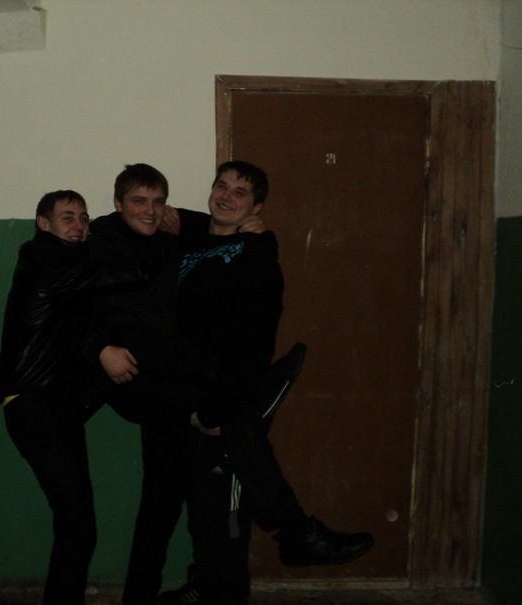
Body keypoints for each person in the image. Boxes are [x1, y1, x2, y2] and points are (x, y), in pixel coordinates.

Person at [85, 162, 373, 605]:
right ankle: (292, 533)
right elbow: (140, 215)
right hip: (169, 397)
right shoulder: (186, 238)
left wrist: (212, 411)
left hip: (210, 402)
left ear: (256, 208)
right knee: (156, 513)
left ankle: (286, 537)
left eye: (241, 192)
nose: (227, 196)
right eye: (222, 186)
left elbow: (253, 348)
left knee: (217, 522)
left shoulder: (254, 255)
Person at [0, 190, 163, 605]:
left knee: (132, 353)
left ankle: (185, 403)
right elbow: (133, 271)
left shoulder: (60, 260)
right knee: (78, 527)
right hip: (39, 405)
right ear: (43, 223)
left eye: (84, 218)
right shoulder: (49, 260)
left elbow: (82, 320)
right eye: (67, 217)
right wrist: (160, 232)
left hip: (56, 397)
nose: (79, 225)